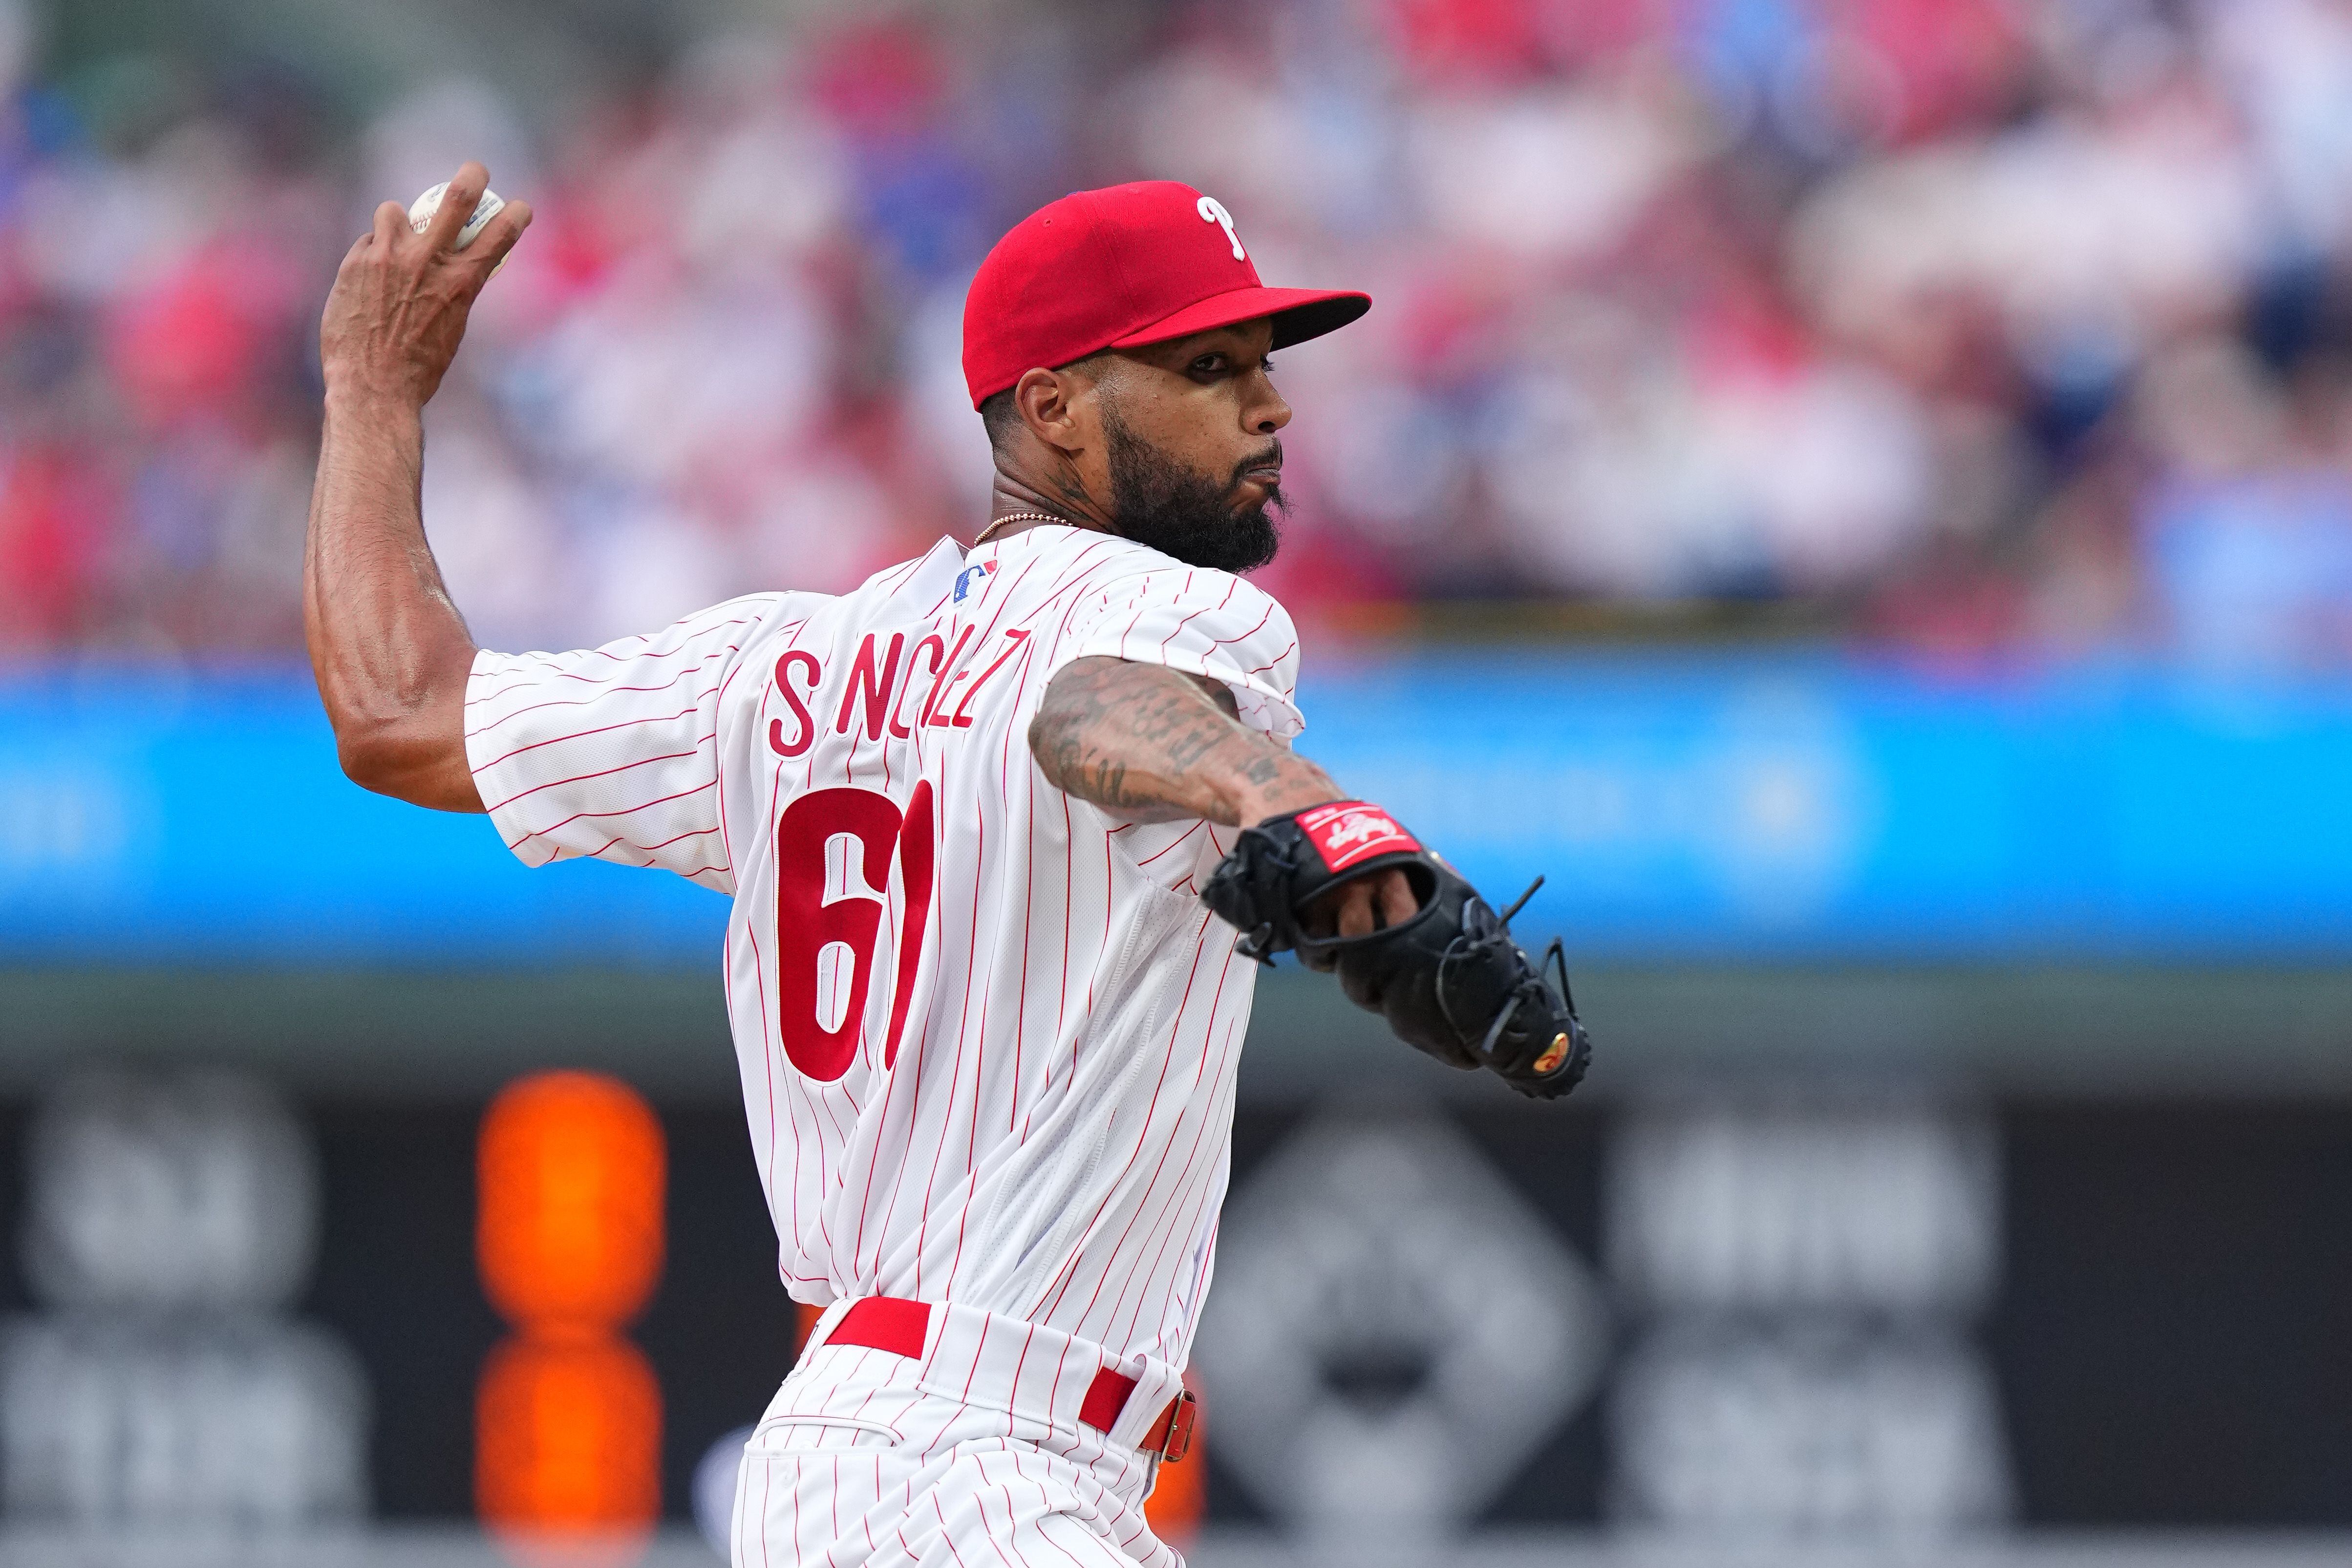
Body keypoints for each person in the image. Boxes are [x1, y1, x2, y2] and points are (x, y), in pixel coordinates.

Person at [308, 166, 1573, 1567]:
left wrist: (373, 396)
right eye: (1208, 370)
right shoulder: (1172, 606)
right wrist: (1299, 806)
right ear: (1052, 410)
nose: (1269, 408)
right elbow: (1085, 704)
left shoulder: (772, 667)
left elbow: (398, 711)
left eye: (1262, 369)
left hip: (842, 1462)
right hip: (985, 1466)